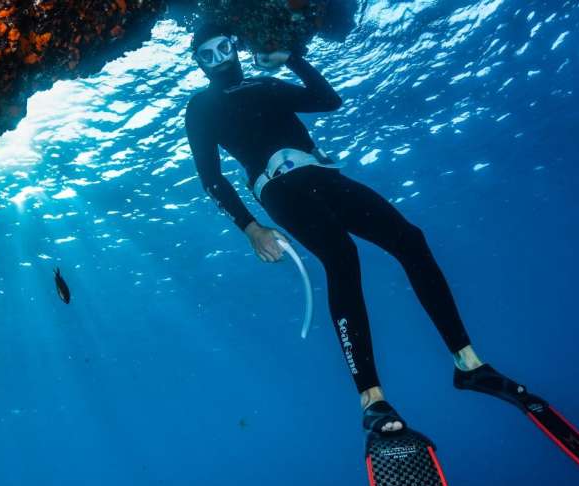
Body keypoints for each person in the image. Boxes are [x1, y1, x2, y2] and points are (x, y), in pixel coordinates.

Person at [183, 24, 538, 435]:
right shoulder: (201, 108)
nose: (218, 59)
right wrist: (250, 227)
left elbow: (328, 100)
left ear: (235, 46)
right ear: (199, 64)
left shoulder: (268, 84)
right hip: (278, 190)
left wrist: (293, 59)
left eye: (223, 47)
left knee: (411, 240)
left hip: (326, 176)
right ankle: (372, 400)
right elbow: (211, 178)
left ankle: (469, 365)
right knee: (341, 257)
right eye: (206, 55)